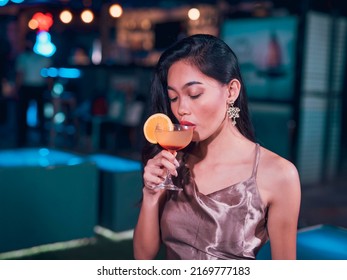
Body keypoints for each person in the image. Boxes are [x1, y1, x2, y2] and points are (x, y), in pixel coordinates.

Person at [133, 34, 301, 260]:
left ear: (231, 91)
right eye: (173, 98)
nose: (181, 109)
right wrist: (151, 195)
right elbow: (143, 259)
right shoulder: (174, 164)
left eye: (195, 94)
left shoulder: (279, 174)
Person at [15, 33, 52, 146]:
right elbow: (20, 75)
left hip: (36, 88)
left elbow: (48, 76)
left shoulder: (40, 58)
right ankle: (24, 139)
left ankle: (38, 139)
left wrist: (16, 89)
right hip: (29, 87)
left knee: (39, 114)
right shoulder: (23, 57)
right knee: (25, 114)